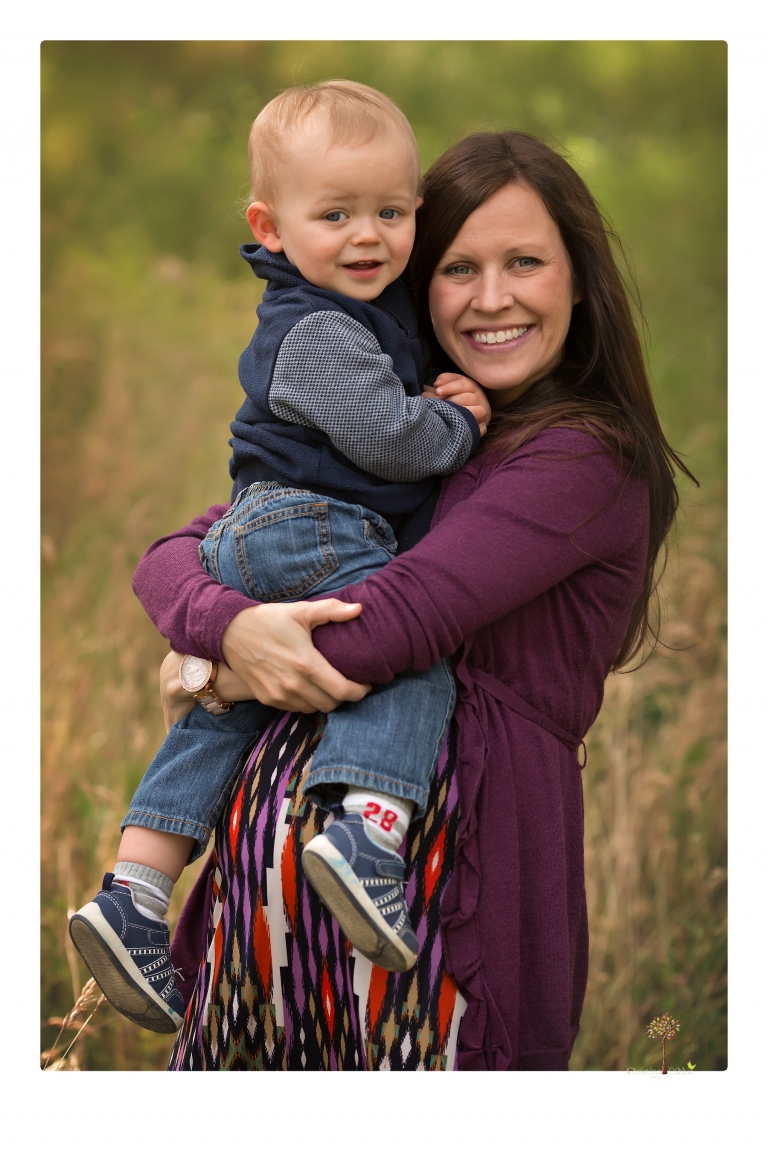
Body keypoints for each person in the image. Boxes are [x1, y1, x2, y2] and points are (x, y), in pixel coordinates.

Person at [133, 130, 694, 1070]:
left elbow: (394, 625)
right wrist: (223, 626)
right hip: (259, 926)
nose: (491, 298)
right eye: (458, 268)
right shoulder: (411, 430)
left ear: (579, 282)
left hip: (440, 915)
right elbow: (172, 556)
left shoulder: (580, 458)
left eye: (525, 263)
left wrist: (215, 673)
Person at [68, 80, 492, 1034]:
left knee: (228, 709)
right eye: (335, 215)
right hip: (314, 528)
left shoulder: (355, 308)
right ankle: (365, 831)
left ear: (417, 214)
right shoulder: (318, 330)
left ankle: (135, 893)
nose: (367, 236)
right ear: (270, 225)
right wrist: (457, 425)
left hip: (266, 530)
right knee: (406, 657)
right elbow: (388, 439)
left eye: (391, 213)